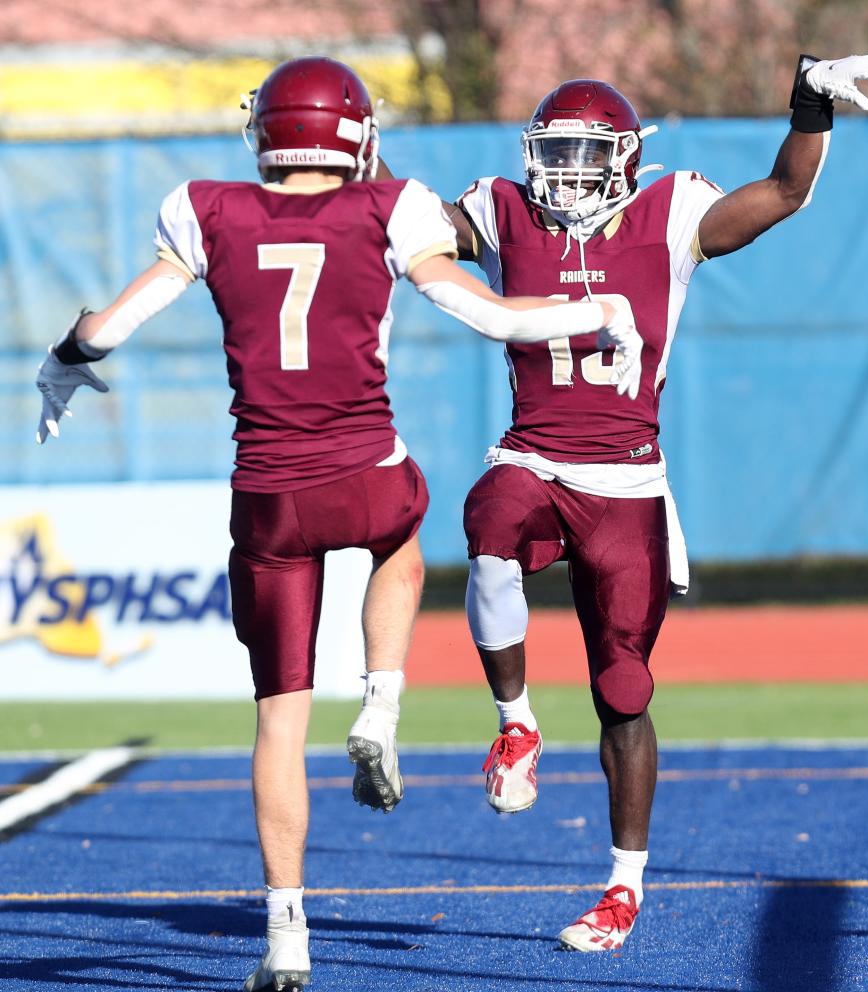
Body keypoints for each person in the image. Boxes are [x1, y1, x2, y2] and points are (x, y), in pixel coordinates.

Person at [33, 57, 642, 992]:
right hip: (364, 470)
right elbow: (488, 315)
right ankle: (382, 701)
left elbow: (114, 326)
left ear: (266, 131)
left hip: (267, 494)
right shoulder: (387, 207)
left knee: (277, 720)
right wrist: (598, 307)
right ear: (354, 131)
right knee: (400, 538)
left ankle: (285, 932)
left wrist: (65, 362)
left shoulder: (204, 208)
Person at [424, 53, 868, 952]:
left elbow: (783, 192)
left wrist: (809, 105)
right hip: (535, 454)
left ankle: (621, 886)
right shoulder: (503, 210)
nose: (564, 173)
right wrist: (326, 166)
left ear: (624, 159)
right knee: (490, 515)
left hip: (627, 483)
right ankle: (516, 724)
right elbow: (409, 226)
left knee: (624, 693)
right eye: (553, 153)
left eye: (583, 154)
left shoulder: (672, 212)